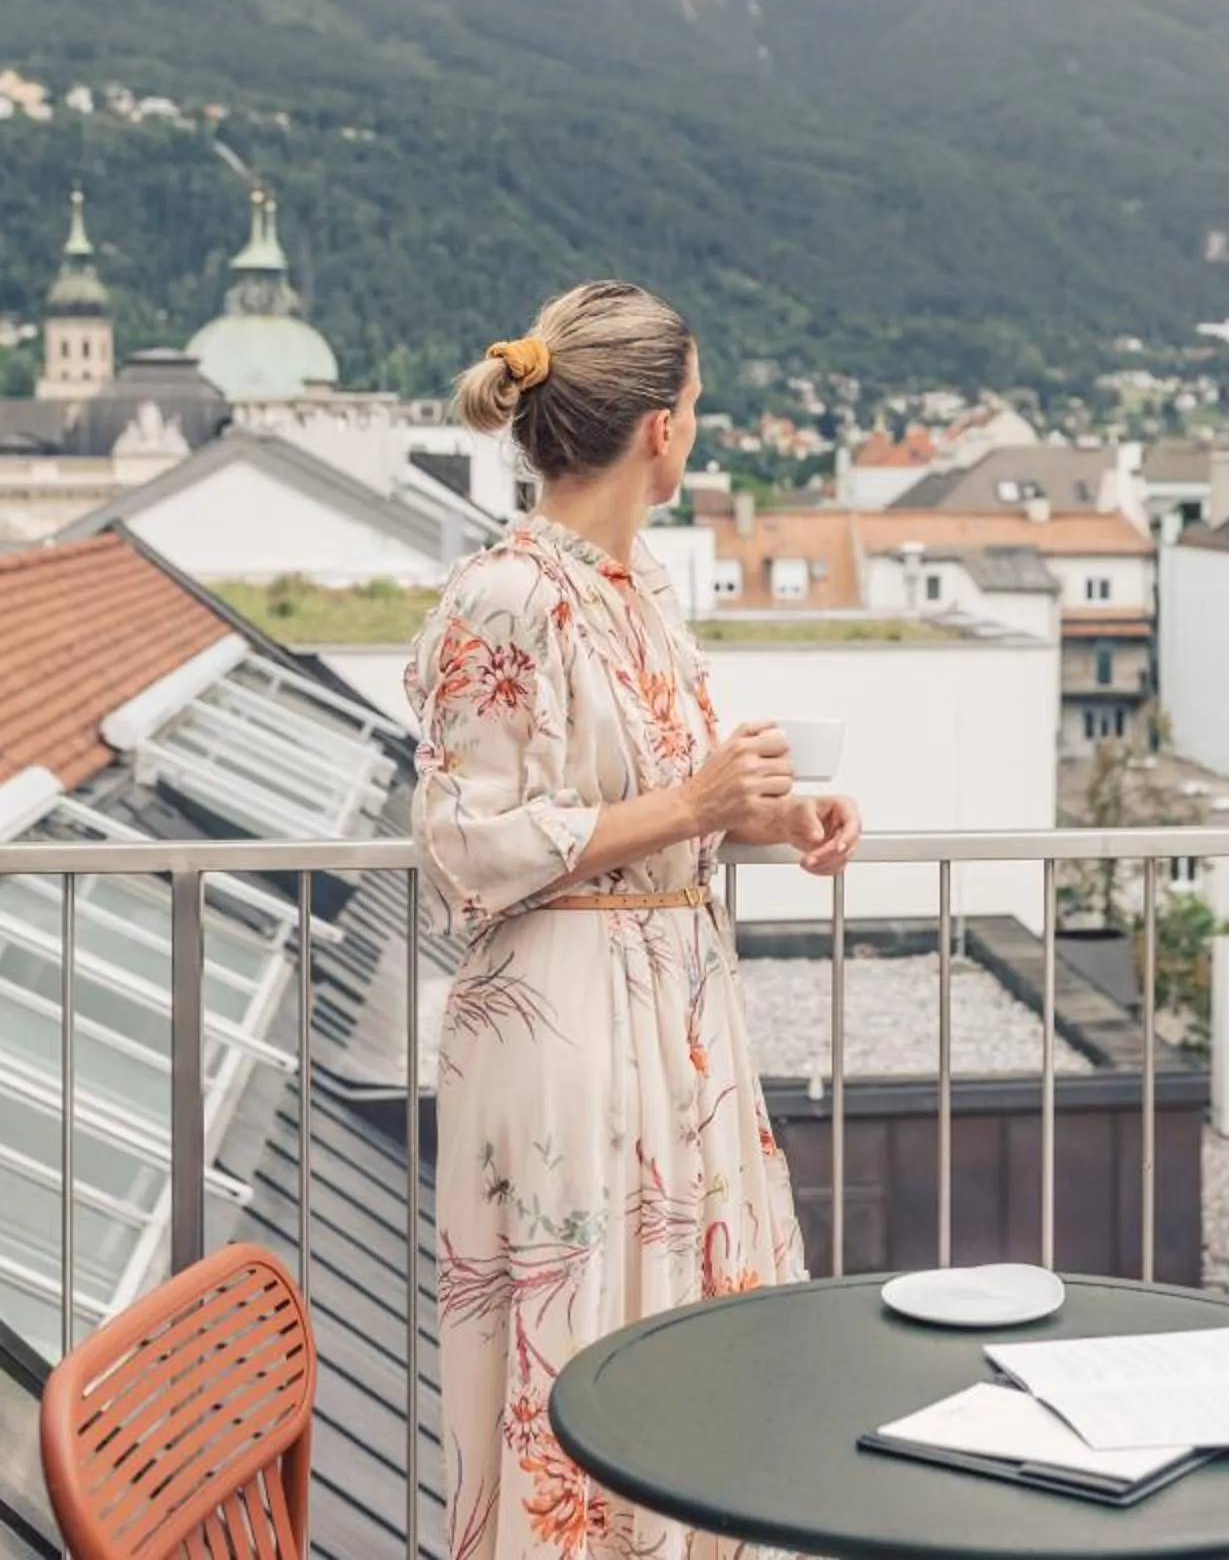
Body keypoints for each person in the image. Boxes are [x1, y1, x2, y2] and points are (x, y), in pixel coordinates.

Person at [409, 280, 861, 1559]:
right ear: (660, 429)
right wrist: (692, 802)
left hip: (671, 1013)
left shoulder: (635, 583)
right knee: (585, 1347)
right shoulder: (507, 595)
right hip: (565, 1027)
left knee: (690, 1335)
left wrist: (765, 818)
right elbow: (466, 843)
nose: (698, 430)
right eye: (699, 407)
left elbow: (650, 804)